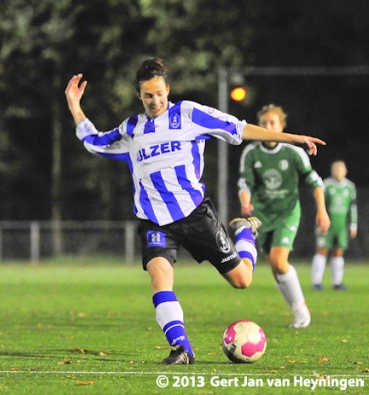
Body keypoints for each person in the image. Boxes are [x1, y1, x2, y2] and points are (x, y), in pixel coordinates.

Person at [64, 58, 325, 365]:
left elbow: (239, 129)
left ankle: (244, 232)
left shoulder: (189, 114)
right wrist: (74, 105)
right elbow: (96, 143)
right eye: (148, 95)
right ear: (139, 95)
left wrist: (292, 138)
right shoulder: (132, 129)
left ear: (168, 89)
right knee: (160, 278)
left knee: (242, 280)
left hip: (195, 215)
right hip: (154, 222)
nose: (155, 100)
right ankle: (181, 348)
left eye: (160, 93)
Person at [237, 104, 330, 329]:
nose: (268, 126)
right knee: (275, 267)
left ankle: (301, 310)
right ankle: (297, 311)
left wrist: (322, 210)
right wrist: (246, 202)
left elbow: (315, 182)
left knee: (279, 261)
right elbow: (244, 183)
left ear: (281, 126)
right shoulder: (251, 153)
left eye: (273, 123)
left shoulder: (293, 152)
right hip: (262, 217)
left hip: (287, 212)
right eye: (265, 123)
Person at [311, 160, 357, 291]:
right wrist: (320, 221)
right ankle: (317, 282)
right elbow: (319, 205)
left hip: (341, 226)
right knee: (322, 251)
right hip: (326, 225)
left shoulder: (350, 187)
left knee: (338, 252)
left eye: (340, 169)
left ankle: (337, 282)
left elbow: (352, 207)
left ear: (345, 171)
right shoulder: (325, 185)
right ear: (332, 171)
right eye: (335, 169)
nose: (338, 172)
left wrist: (353, 225)